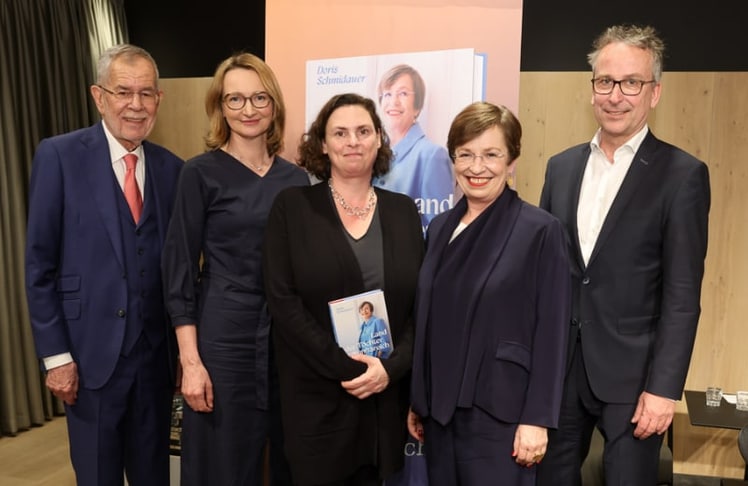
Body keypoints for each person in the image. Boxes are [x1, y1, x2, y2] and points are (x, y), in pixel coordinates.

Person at [535, 24, 711, 485]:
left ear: (654, 92)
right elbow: (546, 277)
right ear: (592, 87)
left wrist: (663, 390)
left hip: (636, 383)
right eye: (605, 81)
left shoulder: (683, 176)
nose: (615, 96)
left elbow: (682, 296)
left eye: (631, 82)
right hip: (560, 375)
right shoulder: (561, 167)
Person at [24, 44, 183, 485]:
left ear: (159, 100)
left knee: (154, 476)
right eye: (123, 92)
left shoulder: (174, 170)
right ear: (99, 97)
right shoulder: (59, 157)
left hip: (155, 361)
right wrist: (56, 357)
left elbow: (180, 269)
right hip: (88, 359)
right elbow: (39, 266)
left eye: (146, 93)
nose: (136, 104)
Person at [161, 52, 309, 486]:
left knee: (286, 464)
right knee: (222, 465)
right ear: (220, 107)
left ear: (274, 105)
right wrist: (191, 363)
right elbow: (179, 270)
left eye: (259, 98)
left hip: (285, 343)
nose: (248, 109)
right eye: (235, 99)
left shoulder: (295, 180)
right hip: (223, 342)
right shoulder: (199, 173)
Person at [263, 93, 424, 486]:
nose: (353, 141)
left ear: (379, 139)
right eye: (340, 133)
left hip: (382, 400)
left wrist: (389, 370)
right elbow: (283, 302)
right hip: (316, 400)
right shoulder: (292, 207)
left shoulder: (403, 211)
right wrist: (350, 368)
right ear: (322, 143)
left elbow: (420, 307)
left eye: (363, 131)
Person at [407, 101, 571, 486]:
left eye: (491, 154)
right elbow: (428, 319)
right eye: (465, 154)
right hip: (439, 414)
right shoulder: (440, 229)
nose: (476, 167)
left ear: (512, 161)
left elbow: (553, 333)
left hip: (503, 416)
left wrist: (537, 419)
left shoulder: (540, 230)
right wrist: (418, 397)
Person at [372, 64, 454, 230]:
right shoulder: (372, 153)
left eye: (403, 93)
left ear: (417, 106)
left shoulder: (433, 156)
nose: (393, 102)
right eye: (387, 94)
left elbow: (437, 231)